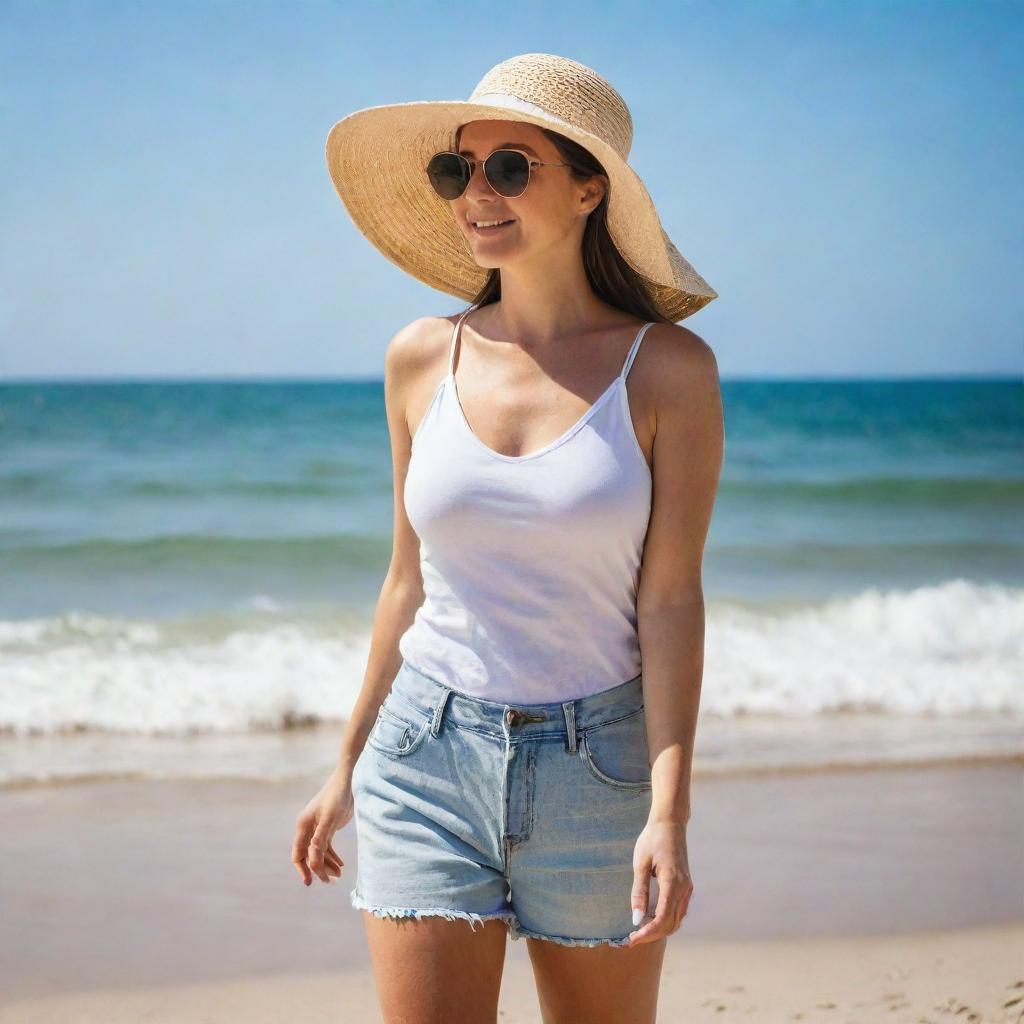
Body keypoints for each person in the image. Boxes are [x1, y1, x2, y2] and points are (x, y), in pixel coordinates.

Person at [293, 52, 723, 1023]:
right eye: (458, 171)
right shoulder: (417, 357)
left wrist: (668, 809)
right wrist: (345, 765)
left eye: (509, 166)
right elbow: (406, 583)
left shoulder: (670, 373)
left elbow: (669, 601)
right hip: (423, 757)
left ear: (586, 188)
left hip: (598, 766)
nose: (475, 194)